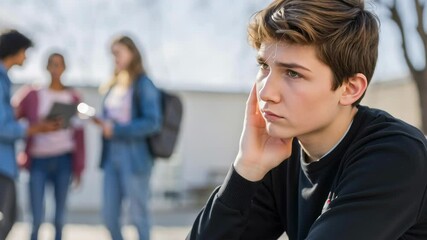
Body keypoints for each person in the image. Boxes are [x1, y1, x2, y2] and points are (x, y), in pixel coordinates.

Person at [187, 1, 427, 239]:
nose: (265, 92)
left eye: (293, 73)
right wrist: (246, 167)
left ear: (350, 88)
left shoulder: (396, 155)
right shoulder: (280, 153)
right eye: (264, 66)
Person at [94, 35, 162, 240]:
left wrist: (117, 130)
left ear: (132, 53)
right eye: (112, 54)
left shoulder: (143, 84)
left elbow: (152, 122)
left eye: (118, 53)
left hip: (134, 157)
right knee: (109, 216)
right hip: (110, 157)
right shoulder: (113, 86)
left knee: (138, 216)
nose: (114, 58)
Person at [13, 52, 86, 240]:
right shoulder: (32, 93)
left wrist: (79, 168)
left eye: (59, 64)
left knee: (59, 218)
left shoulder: (74, 97)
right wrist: (37, 127)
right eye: (52, 64)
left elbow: (80, 133)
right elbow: (10, 118)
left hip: (63, 159)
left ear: (64, 68)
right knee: (36, 218)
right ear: (46, 67)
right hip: (38, 159)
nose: (55, 69)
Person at [0, 30, 62, 240]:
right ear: (14, 50)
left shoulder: (4, 80)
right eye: (24, 51)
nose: (26, 57)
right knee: (7, 218)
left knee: (9, 216)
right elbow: (2, 127)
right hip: (2, 165)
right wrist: (36, 128)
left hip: (6, 164)